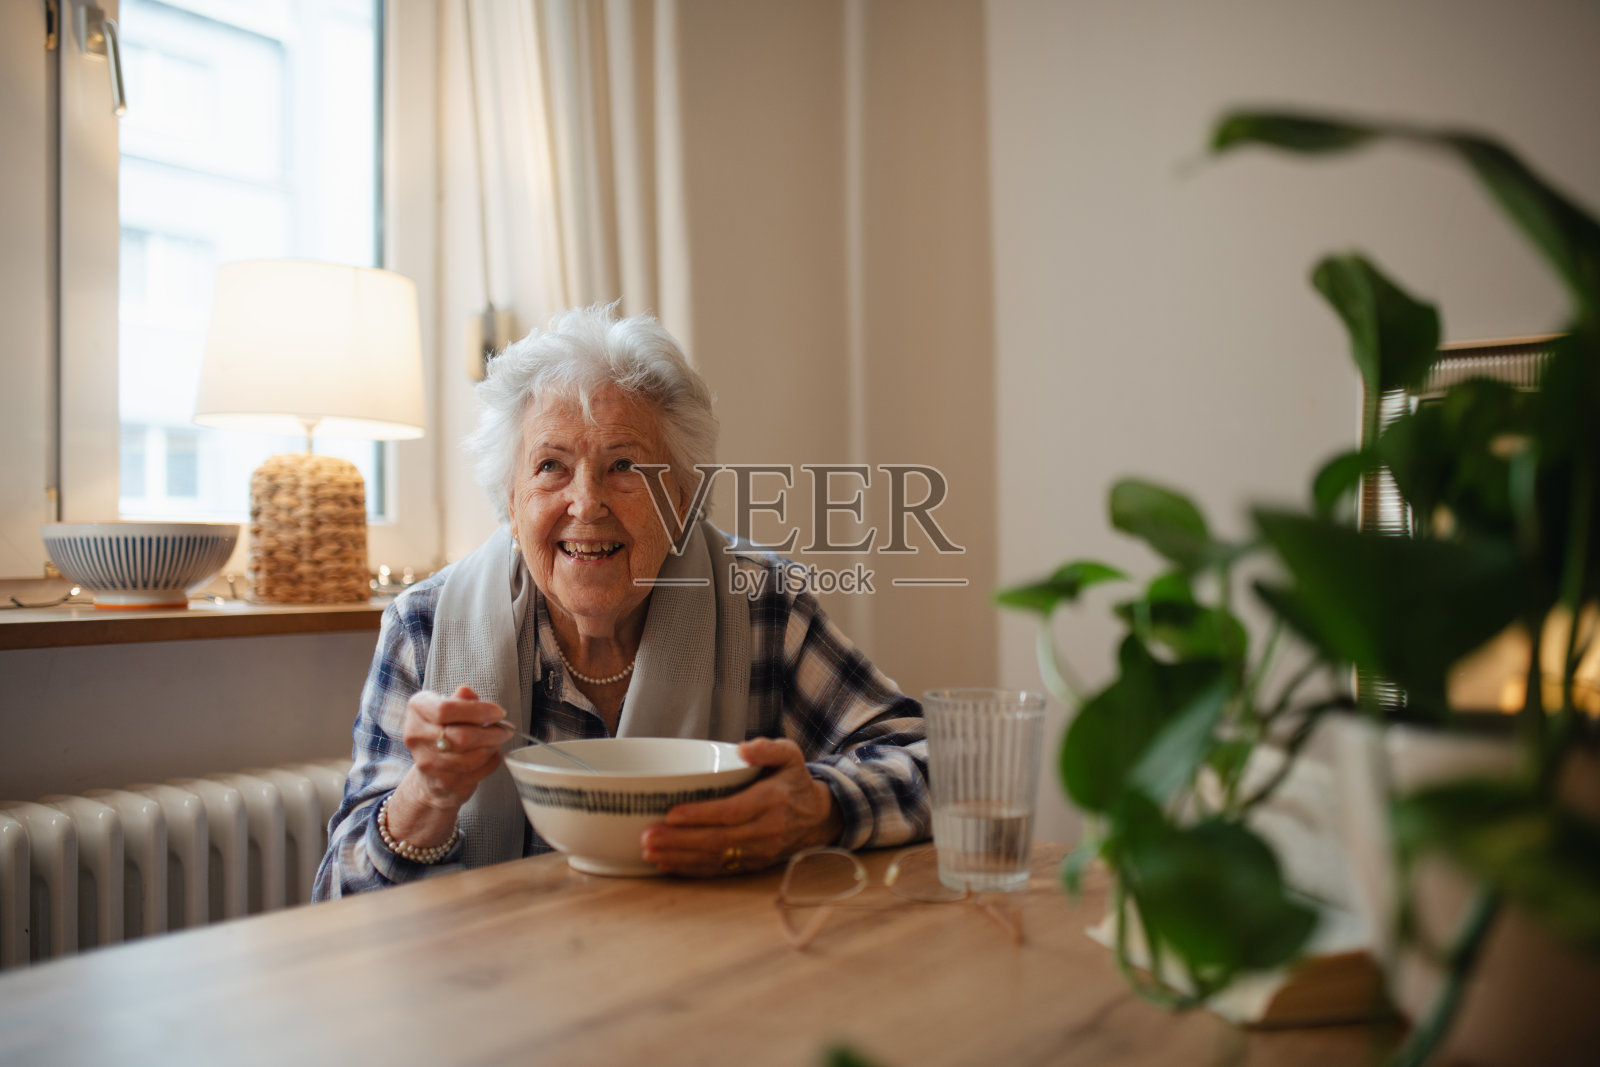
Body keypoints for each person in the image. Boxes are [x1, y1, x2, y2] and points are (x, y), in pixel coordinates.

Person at [314, 305, 929, 898]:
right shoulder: (425, 624)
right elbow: (338, 893)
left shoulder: (760, 604)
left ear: (683, 500)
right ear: (510, 501)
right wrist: (428, 795)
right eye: (551, 465)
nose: (587, 503)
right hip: (496, 981)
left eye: (625, 465)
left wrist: (818, 807)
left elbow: (935, 764)